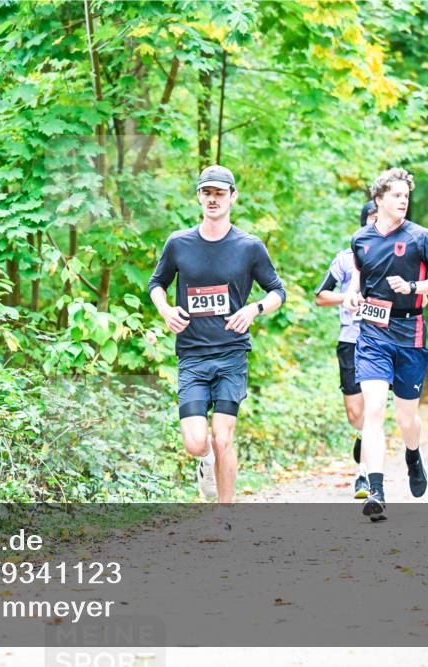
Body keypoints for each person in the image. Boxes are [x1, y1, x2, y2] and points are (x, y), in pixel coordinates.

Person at [148, 165, 286, 522]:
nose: (213, 199)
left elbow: (277, 292)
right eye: (207, 192)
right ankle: (205, 462)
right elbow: (156, 284)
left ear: (233, 197)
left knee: (223, 437)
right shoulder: (179, 243)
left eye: (220, 193)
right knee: (197, 442)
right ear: (198, 197)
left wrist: (253, 310)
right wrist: (165, 310)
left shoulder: (249, 246)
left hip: (231, 354)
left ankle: (226, 517)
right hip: (192, 355)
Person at [342, 167, 428, 521]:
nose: (403, 200)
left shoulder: (422, 237)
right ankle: (375, 488)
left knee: (407, 419)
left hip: (411, 335)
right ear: (379, 200)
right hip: (373, 336)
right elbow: (359, 278)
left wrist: (415, 288)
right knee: (374, 410)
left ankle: (412, 454)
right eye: (396, 195)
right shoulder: (361, 239)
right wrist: (351, 294)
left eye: (406, 195)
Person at [314, 201, 376, 498]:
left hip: (382, 340)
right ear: (364, 223)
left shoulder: (398, 257)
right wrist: (348, 299)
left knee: (374, 407)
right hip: (351, 340)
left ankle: (364, 476)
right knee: (355, 412)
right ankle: (363, 433)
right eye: (374, 218)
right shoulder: (346, 259)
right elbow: (321, 296)